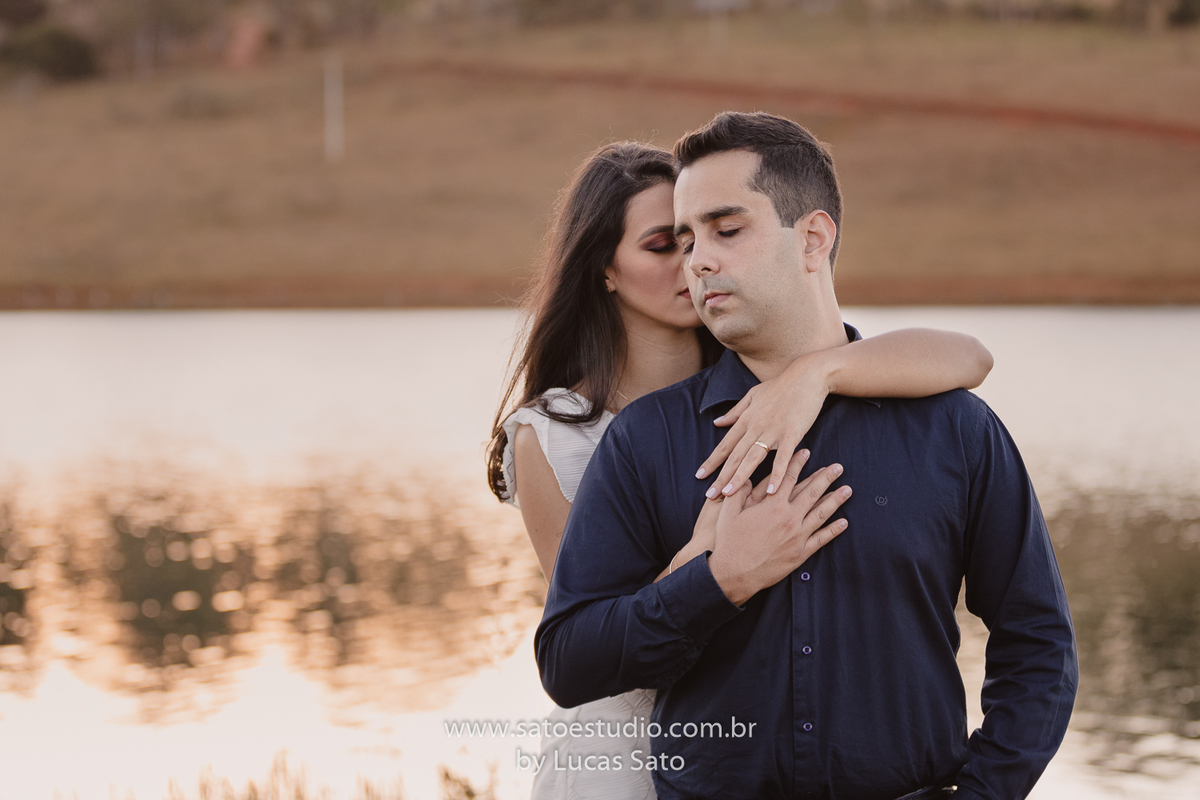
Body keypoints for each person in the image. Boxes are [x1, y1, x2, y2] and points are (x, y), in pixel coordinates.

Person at [535, 113, 1078, 800]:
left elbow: (1038, 644)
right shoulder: (646, 442)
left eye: (726, 230)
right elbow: (568, 662)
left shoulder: (956, 430)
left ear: (814, 239)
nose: (697, 260)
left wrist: (983, 793)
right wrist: (718, 580)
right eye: (685, 238)